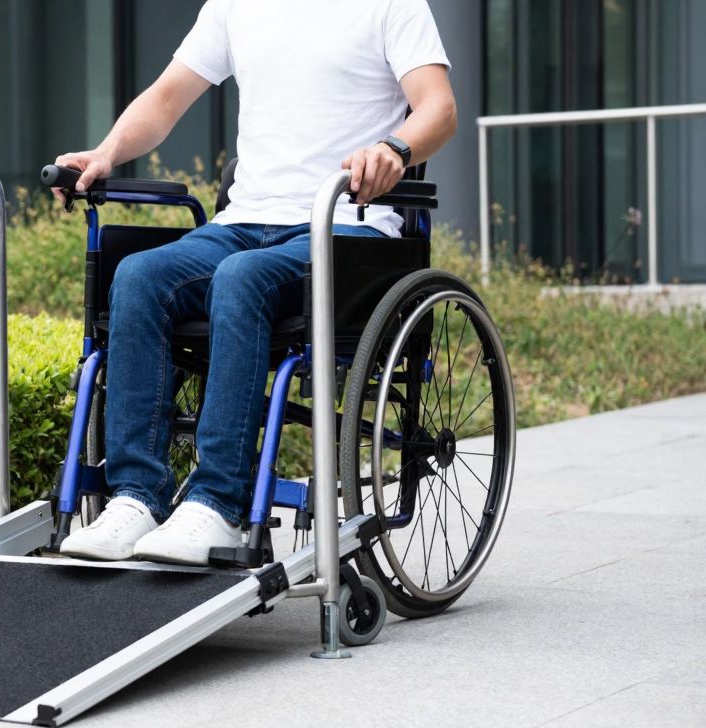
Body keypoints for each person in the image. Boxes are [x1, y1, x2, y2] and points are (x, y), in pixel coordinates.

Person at [56, 0, 457, 565]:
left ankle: (217, 504)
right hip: (243, 222)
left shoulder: (391, 4)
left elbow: (439, 108)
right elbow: (167, 98)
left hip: (344, 223)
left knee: (242, 278)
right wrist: (106, 153)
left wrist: (395, 149)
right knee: (139, 275)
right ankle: (136, 497)